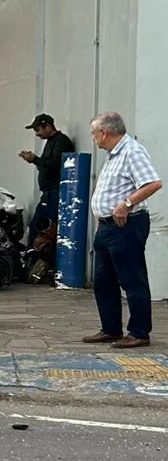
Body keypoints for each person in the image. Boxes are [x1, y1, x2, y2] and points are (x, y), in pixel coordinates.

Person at [83, 111, 161, 348]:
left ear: (104, 132)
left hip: (126, 225)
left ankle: (139, 332)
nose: (94, 139)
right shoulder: (113, 155)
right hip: (106, 227)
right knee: (103, 280)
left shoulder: (132, 151)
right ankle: (111, 328)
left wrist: (127, 204)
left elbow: (152, 183)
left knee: (131, 278)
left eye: (94, 134)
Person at [19, 113, 75, 239]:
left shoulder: (61, 141)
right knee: (36, 227)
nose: (37, 134)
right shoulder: (51, 141)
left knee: (44, 228)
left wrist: (35, 160)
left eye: (38, 130)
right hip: (48, 193)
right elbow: (46, 166)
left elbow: (56, 165)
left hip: (54, 193)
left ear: (47, 126)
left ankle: (41, 256)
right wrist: (34, 160)